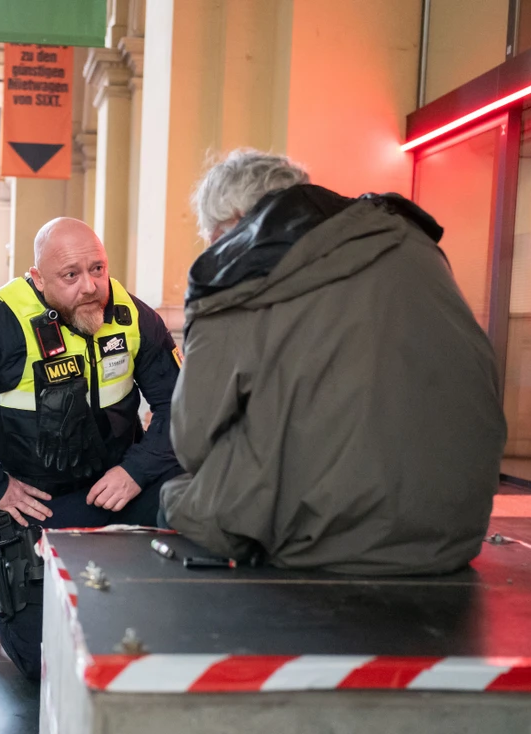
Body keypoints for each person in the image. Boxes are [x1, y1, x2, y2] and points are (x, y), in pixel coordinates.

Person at [160, 149, 506, 575]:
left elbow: (192, 440)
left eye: (213, 235)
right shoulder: (411, 239)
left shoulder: (239, 273)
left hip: (323, 542)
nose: (213, 246)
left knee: (177, 498)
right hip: (452, 532)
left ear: (233, 220)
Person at [0, 218, 182, 680]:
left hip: (121, 486)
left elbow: (179, 404)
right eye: (71, 275)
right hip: (37, 501)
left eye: (98, 269)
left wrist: (138, 469)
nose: (90, 287)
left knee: (190, 493)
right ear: (37, 278)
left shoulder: (134, 315)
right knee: (45, 662)